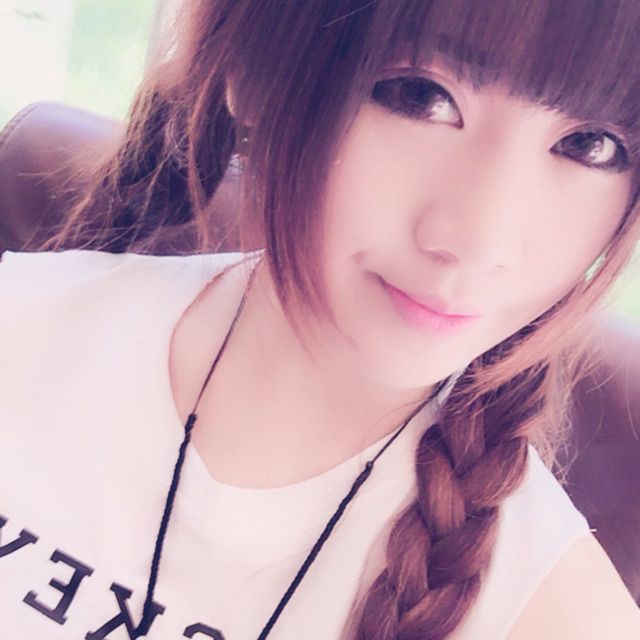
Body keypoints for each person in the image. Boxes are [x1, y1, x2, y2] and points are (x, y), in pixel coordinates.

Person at [1, 0, 640, 638]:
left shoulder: (561, 614)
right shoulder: (19, 328)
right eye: (420, 95)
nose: (479, 242)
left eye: (590, 146)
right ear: (254, 72)